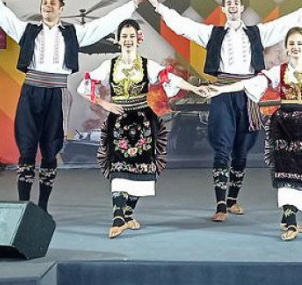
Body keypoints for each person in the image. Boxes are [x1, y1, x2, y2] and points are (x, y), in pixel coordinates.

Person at [0, 0, 140, 213]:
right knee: (26, 149)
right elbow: (0, 13)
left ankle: (42, 207)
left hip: (57, 94)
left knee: (51, 151)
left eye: (52, 3)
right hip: (31, 91)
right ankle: (23, 206)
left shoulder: (74, 34)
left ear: (61, 8)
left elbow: (105, 23)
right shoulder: (26, 31)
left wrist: (134, 4)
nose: (48, 6)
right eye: (44, 3)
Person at [143, 0, 302, 222]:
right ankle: (220, 204)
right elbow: (182, 25)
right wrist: (158, 6)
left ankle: (232, 200)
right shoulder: (212, 33)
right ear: (223, 9)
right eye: (228, 3)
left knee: (242, 149)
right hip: (222, 91)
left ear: (241, 8)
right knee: (222, 147)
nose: (232, 6)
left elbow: (284, 24)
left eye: (236, 3)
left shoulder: (257, 33)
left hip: (248, 92)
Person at [209, 27, 302, 241]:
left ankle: (289, 217)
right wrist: (221, 89)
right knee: (286, 172)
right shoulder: (278, 71)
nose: (295, 47)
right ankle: (290, 221)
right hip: (285, 127)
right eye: (291, 43)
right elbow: (250, 84)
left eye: (299, 43)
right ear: (286, 47)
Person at [77, 19, 211, 238]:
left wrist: (195, 88)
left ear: (139, 39)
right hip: (119, 123)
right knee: (119, 166)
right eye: (124, 36)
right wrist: (104, 104)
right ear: (118, 40)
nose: (128, 40)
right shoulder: (109, 65)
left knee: (141, 168)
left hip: (143, 123)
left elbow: (172, 80)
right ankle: (117, 218)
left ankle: (128, 214)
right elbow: (85, 86)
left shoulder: (147, 65)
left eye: (132, 36)